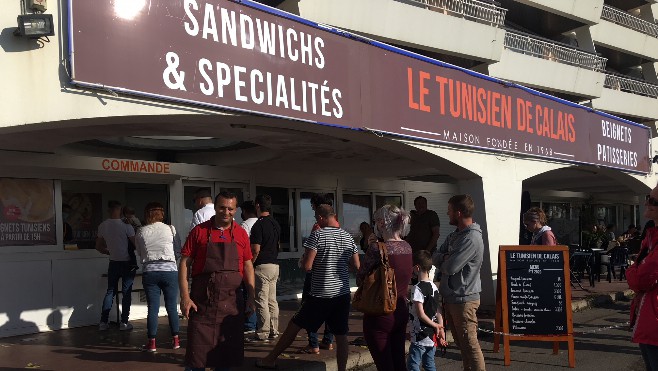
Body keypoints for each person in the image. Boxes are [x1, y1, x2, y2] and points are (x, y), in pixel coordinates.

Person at [256, 204, 360, 371]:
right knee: (341, 336)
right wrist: (337, 265)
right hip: (342, 293)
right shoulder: (347, 237)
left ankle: (270, 359)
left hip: (320, 294)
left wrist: (318, 263)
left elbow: (307, 266)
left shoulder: (317, 236)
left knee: (294, 325)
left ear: (320, 218)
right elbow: (356, 265)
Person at [179, 191, 256, 371]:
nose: (226, 212)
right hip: (202, 304)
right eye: (222, 207)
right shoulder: (199, 231)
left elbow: (248, 266)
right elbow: (184, 263)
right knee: (196, 359)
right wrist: (185, 296)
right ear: (215, 207)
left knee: (226, 358)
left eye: (230, 208)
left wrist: (251, 296)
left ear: (236, 210)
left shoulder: (241, 234)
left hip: (231, 305)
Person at [432, 194, 485, 371]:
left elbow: (450, 267)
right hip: (453, 298)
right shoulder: (456, 235)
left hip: (465, 300)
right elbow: (435, 255)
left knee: (471, 346)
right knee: (463, 348)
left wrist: (445, 258)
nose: (447, 214)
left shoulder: (471, 238)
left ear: (459, 212)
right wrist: (444, 257)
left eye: (449, 211)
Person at [357, 205, 413, 371]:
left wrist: (371, 245)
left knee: (385, 365)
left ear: (382, 223)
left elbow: (361, 278)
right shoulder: (407, 247)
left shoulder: (377, 249)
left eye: (376, 221)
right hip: (401, 309)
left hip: (380, 311)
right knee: (399, 361)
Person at [135, 202, 182, 352]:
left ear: (147, 214)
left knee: (153, 308)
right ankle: (176, 341)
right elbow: (178, 250)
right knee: (171, 307)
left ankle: (152, 343)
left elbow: (140, 253)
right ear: (161, 213)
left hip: (150, 271)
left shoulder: (141, 231)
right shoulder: (170, 229)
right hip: (169, 270)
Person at [299, 193, 335, 353]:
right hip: (333, 274)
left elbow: (308, 261)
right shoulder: (337, 227)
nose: (312, 209)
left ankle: (313, 343)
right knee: (331, 309)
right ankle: (328, 340)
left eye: (313, 206)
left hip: (316, 273)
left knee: (308, 306)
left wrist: (303, 261)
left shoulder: (317, 228)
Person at [626, 187, 658, 371]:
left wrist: (633, 269)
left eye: (654, 201)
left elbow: (638, 280)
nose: (647, 203)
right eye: (648, 198)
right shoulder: (651, 237)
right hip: (648, 321)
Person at [95, 200, 137, 331]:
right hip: (127, 263)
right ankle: (124, 322)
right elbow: (136, 244)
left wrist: (109, 251)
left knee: (110, 291)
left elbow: (98, 247)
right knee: (126, 292)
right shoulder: (126, 226)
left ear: (109, 210)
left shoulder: (103, 225)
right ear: (120, 210)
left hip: (113, 262)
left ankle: (103, 322)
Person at [248, 194, 282, 343]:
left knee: (261, 300)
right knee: (272, 300)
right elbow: (278, 245)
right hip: (275, 265)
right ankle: (274, 330)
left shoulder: (258, 225)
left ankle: (262, 332)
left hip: (262, 266)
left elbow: (255, 249)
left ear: (257, 206)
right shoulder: (275, 223)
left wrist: (250, 264)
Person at [408, 250, 447, 371]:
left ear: (417, 267)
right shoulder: (434, 286)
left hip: (420, 333)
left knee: (413, 365)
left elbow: (420, 314)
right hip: (432, 335)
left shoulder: (417, 288)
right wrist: (440, 327)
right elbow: (438, 309)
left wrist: (435, 325)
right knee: (429, 364)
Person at [122, 206, 141, 271]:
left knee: (130, 250)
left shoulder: (133, 219)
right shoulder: (124, 219)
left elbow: (139, 228)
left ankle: (133, 264)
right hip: (128, 239)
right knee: (128, 251)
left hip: (133, 238)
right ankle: (131, 264)